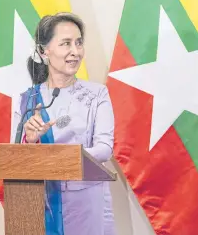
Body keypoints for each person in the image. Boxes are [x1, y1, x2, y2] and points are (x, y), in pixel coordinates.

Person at [13, 12, 116, 235]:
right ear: (43, 51)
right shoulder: (28, 100)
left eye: (79, 43)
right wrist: (32, 141)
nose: (75, 51)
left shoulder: (97, 94)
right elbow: (16, 159)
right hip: (43, 202)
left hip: (87, 203)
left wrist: (60, 158)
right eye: (66, 43)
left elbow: (104, 148)